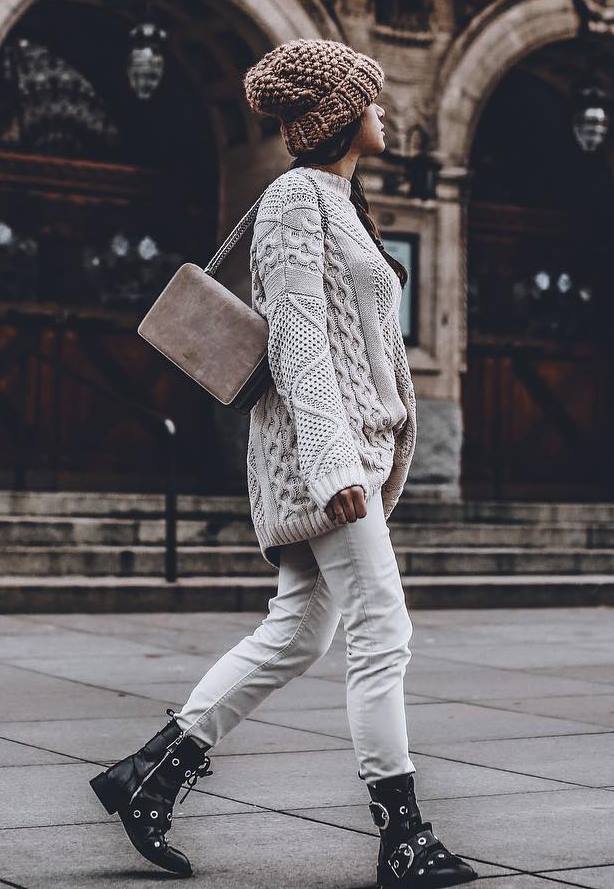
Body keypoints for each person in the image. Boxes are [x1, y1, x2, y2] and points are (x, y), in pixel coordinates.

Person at [89, 38, 478, 888]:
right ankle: (402, 834)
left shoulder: (337, 198)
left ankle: (148, 774)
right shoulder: (297, 201)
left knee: (297, 631)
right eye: (370, 99)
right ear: (341, 114)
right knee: (384, 628)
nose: (383, 112)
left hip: (347, 456)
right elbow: (300, 345)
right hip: (322, 459)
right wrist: (338, 465)